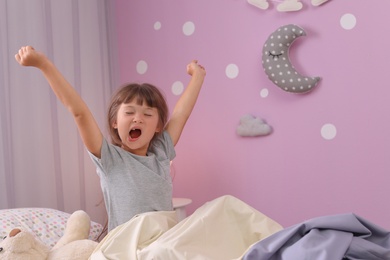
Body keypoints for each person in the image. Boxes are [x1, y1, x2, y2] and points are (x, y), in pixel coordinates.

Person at [15, 46, 206, 231]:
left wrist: (197, 76)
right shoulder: (110, 159)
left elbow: (181, 114)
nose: (138, 118)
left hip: (163, 241)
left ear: (157, 126)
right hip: (128, 245)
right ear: (115, 121)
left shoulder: (161, 151)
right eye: (129, 112)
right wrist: (44, 64)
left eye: (147, 114)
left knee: (224, 208)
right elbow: (79, 112)